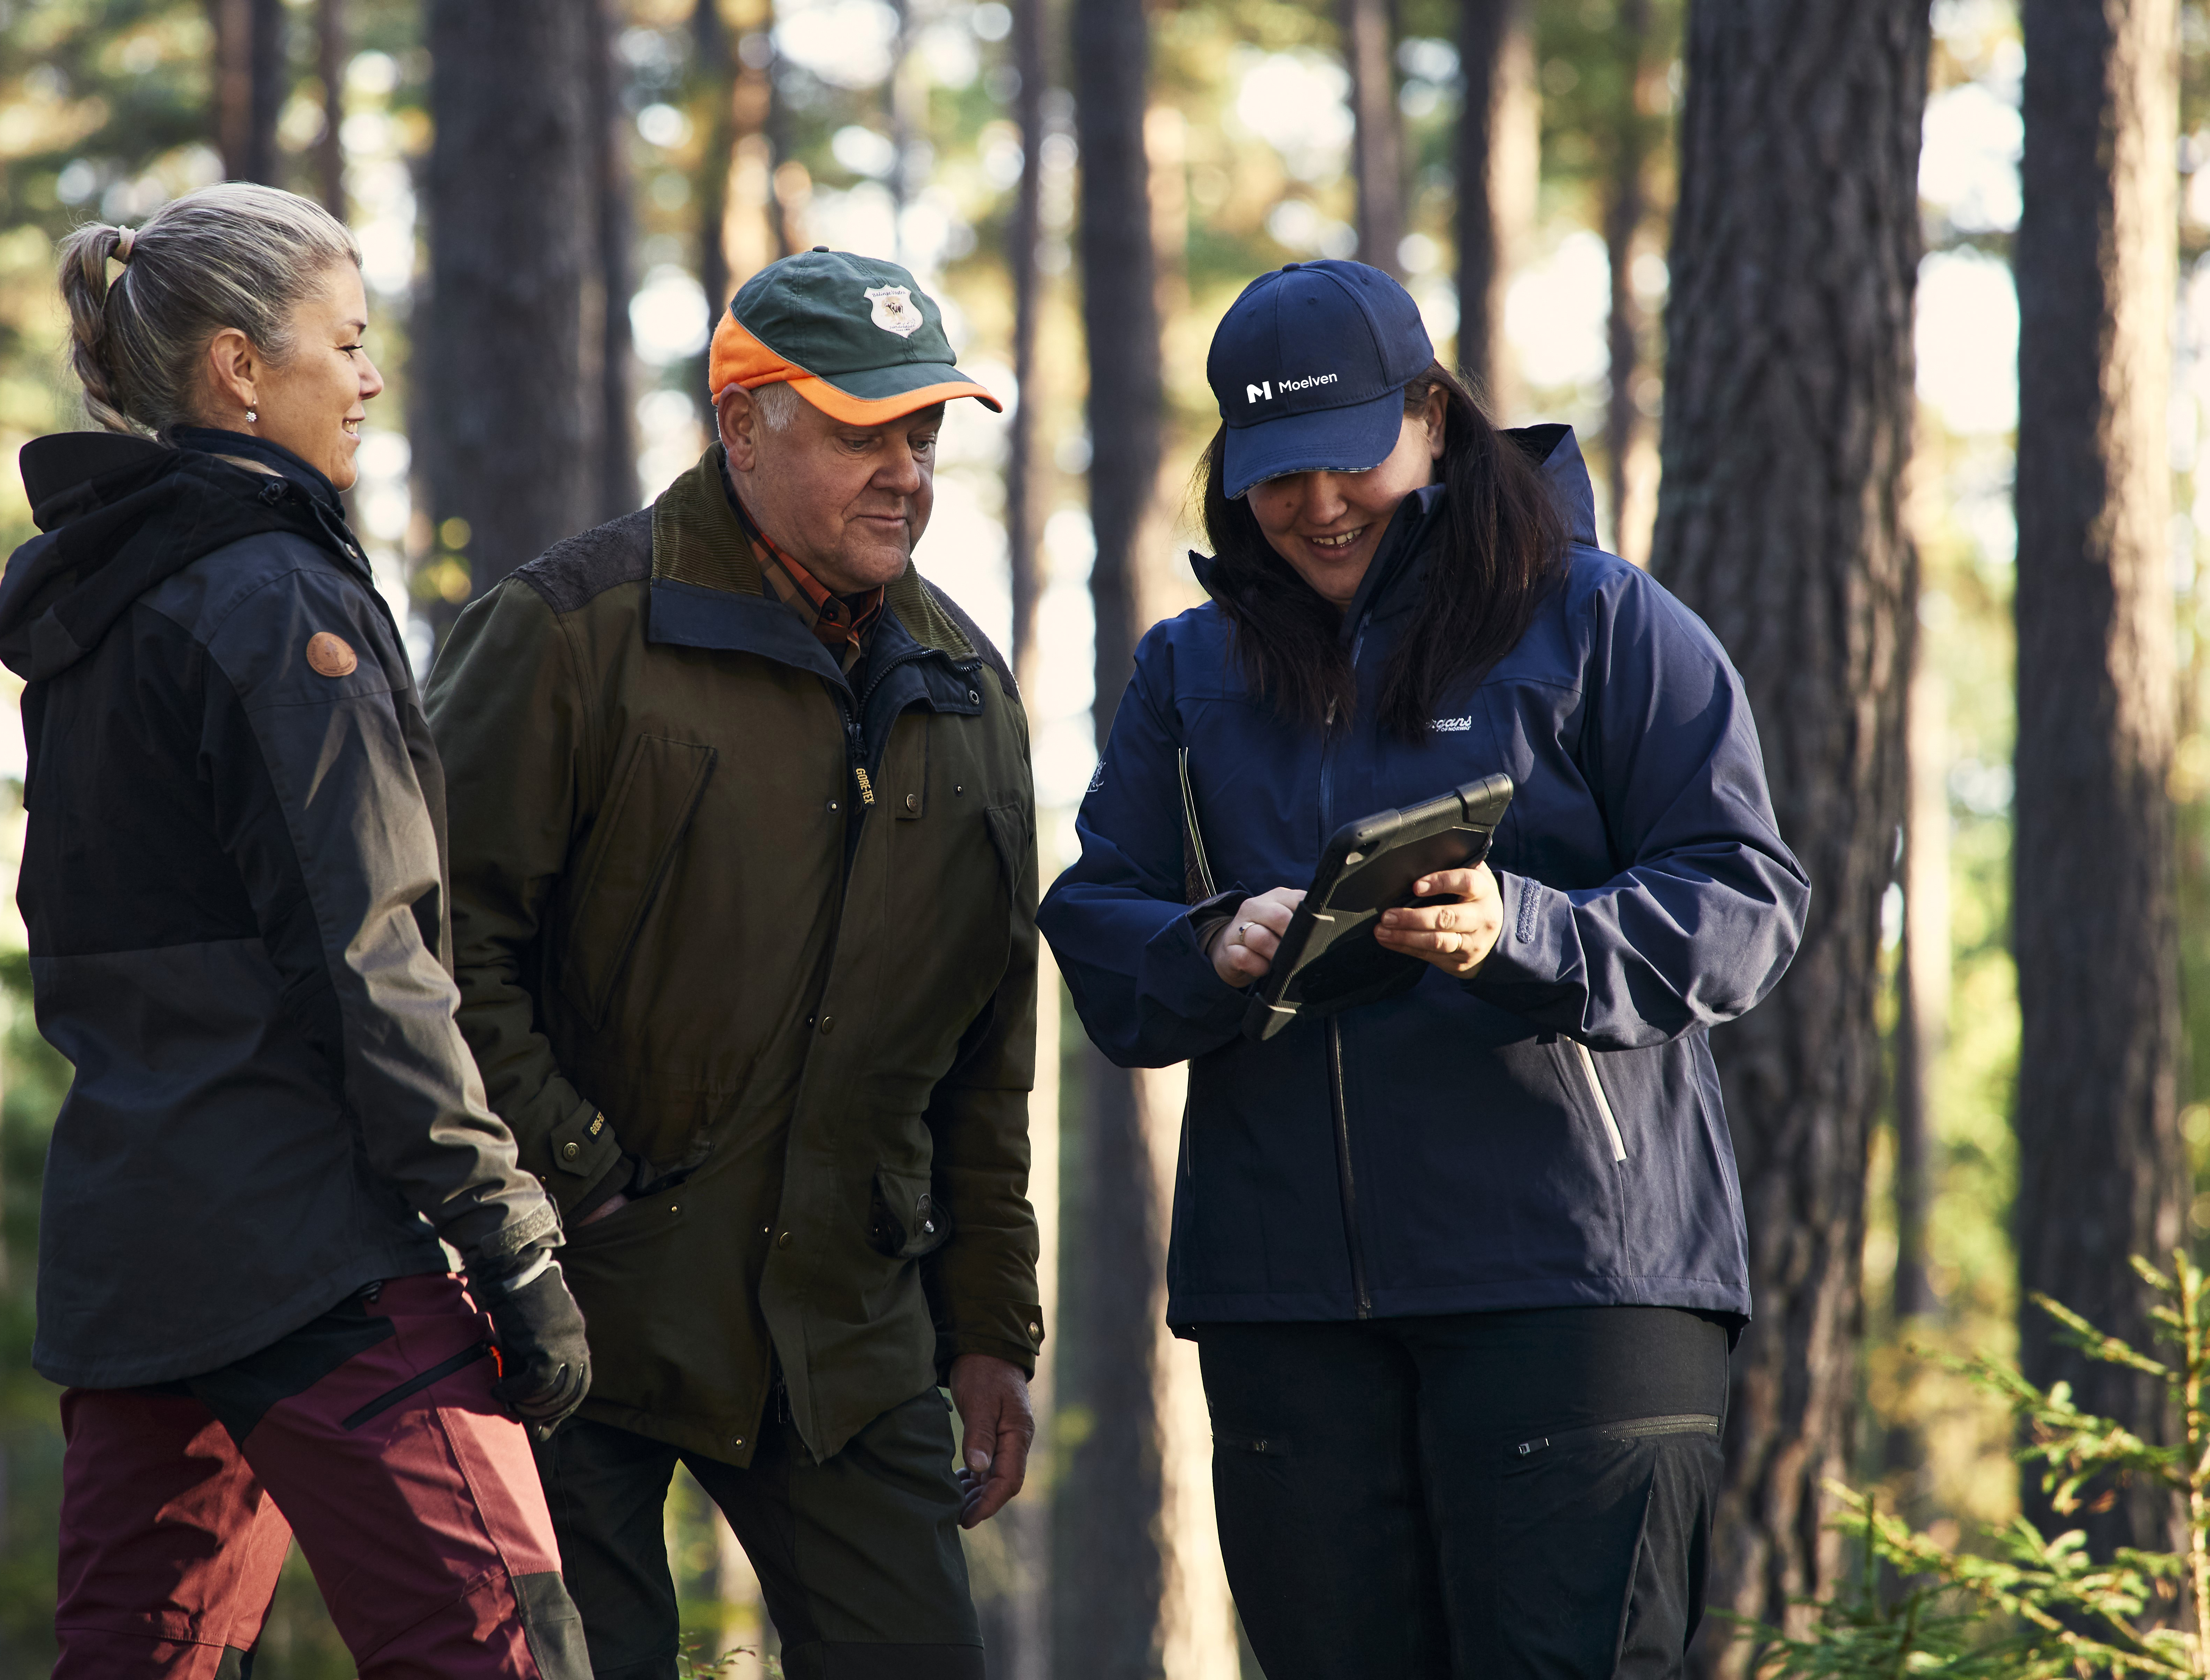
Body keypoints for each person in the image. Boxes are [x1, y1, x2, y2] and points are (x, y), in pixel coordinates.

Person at [1037, 259, 1808, 1678]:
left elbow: (1747, 900)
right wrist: (1210, 944)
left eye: (1346, 461)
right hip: (1285, 1312)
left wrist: (1526, 932)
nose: (1317, 507)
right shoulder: (1187, 672)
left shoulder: (1603, 622)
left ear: (1433, 420)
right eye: (1276, 476)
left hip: (1574, 1292)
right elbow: (1100, 920)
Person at [0, 182, 596, 1680]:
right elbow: (370, 960)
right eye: (348, 340)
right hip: (324, 1249)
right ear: (239, 370)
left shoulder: (97, 608)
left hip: (139, 1257)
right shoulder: (272, 599)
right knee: (503, 1649)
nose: (373, 376)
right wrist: (507, 1235)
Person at [423, 247, 1042, 1680]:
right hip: (577, 1309)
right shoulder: (567, 635)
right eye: (861, 430)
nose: (908, 471)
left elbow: (985, 1036)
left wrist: (991, 1324)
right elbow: (438, 951)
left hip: (851, 1327)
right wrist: (584, 1175)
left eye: (925, 432)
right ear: (742, 425)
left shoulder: (969, 688)